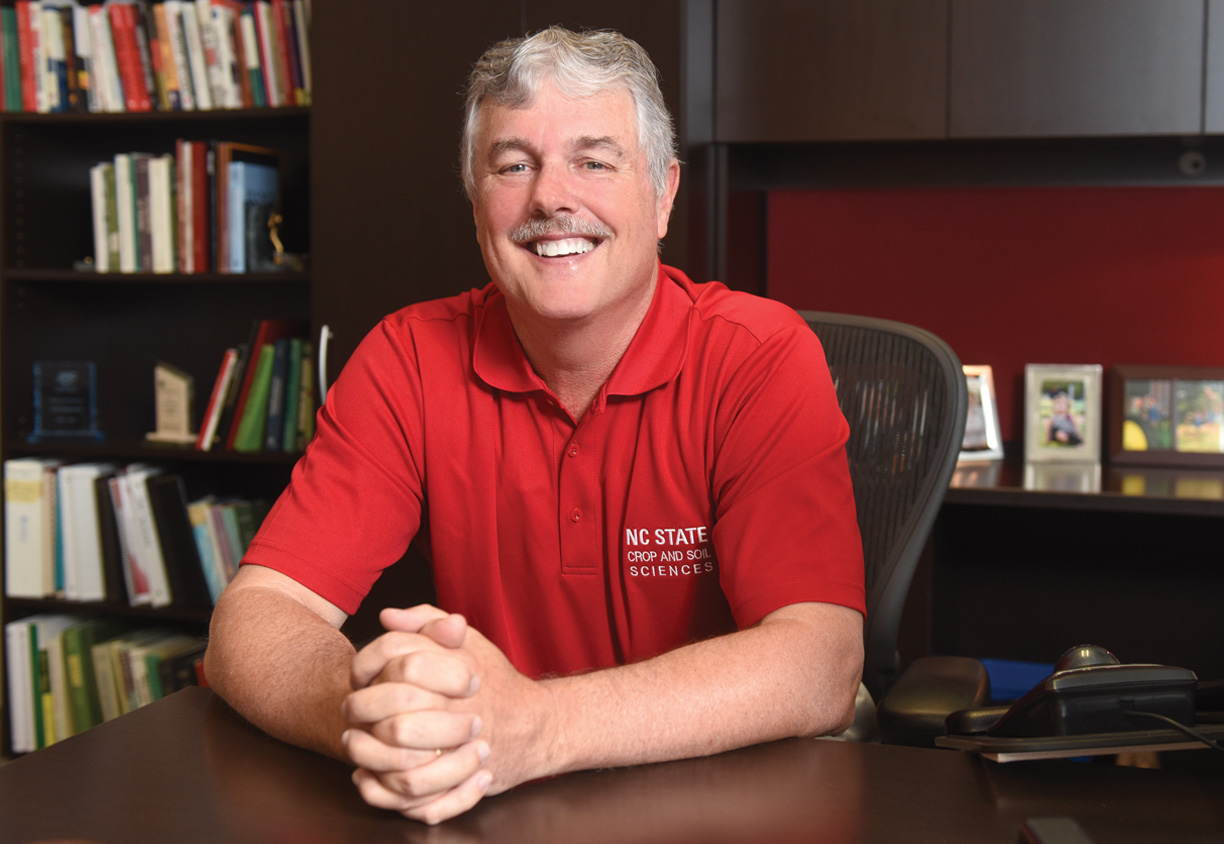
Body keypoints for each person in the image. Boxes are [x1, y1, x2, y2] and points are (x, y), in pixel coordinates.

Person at [203, 26, 866, 825]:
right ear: (478, 201)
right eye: (513, 164)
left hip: (719, 806)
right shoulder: (406, 358)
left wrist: (539, 727)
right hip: (495, 801)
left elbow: (821, 663)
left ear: (663, 196)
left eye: (594, 160)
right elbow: (255, 618)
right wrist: (382, 718)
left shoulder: (758, 356)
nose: (551, 197)